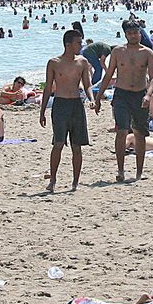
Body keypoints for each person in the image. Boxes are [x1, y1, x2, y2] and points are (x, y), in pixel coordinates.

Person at [95, 22, 153, 183]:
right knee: (121, 131)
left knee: (139, 133)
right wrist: (98, 97)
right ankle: (121, 170)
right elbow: (109, 74)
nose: (133, 35)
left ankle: (139, 172)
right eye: (130, 33)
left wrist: (148, 95)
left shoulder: (147, 53)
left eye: (135, 32)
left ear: (140, 33)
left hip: (140, 95)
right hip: (121, 95)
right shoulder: (118, 51)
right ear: (125, 35)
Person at [40, 29, 97, 192]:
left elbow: (87, 84)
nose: (81, 45)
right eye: (78, 43)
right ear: (68, 44)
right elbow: (48, 87)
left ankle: (75, 182)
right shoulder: (54, 62)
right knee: (58, 143)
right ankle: (53, 180)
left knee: (76, 146)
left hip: (76, 105)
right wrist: (42, 111)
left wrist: (92, 99)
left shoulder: (82, 62)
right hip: (60, 105)